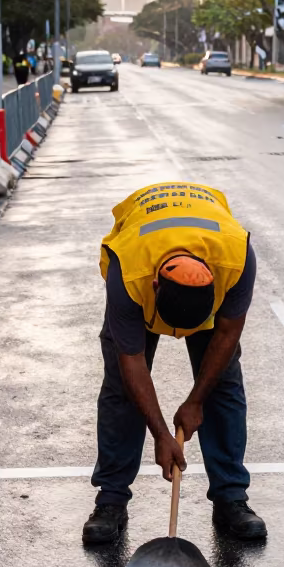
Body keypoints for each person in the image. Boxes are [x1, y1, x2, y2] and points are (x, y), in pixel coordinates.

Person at [84, 181, 267, 546]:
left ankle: (231, 497)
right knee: (122, 389)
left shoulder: (236, 258)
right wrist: (161, 434)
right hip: (141, 271)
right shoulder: (129, 272)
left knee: (223, 384)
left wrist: (196, 400)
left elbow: (227, 333)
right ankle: (111, 500)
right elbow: (131, 360)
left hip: (208, 282)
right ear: (154, 286)